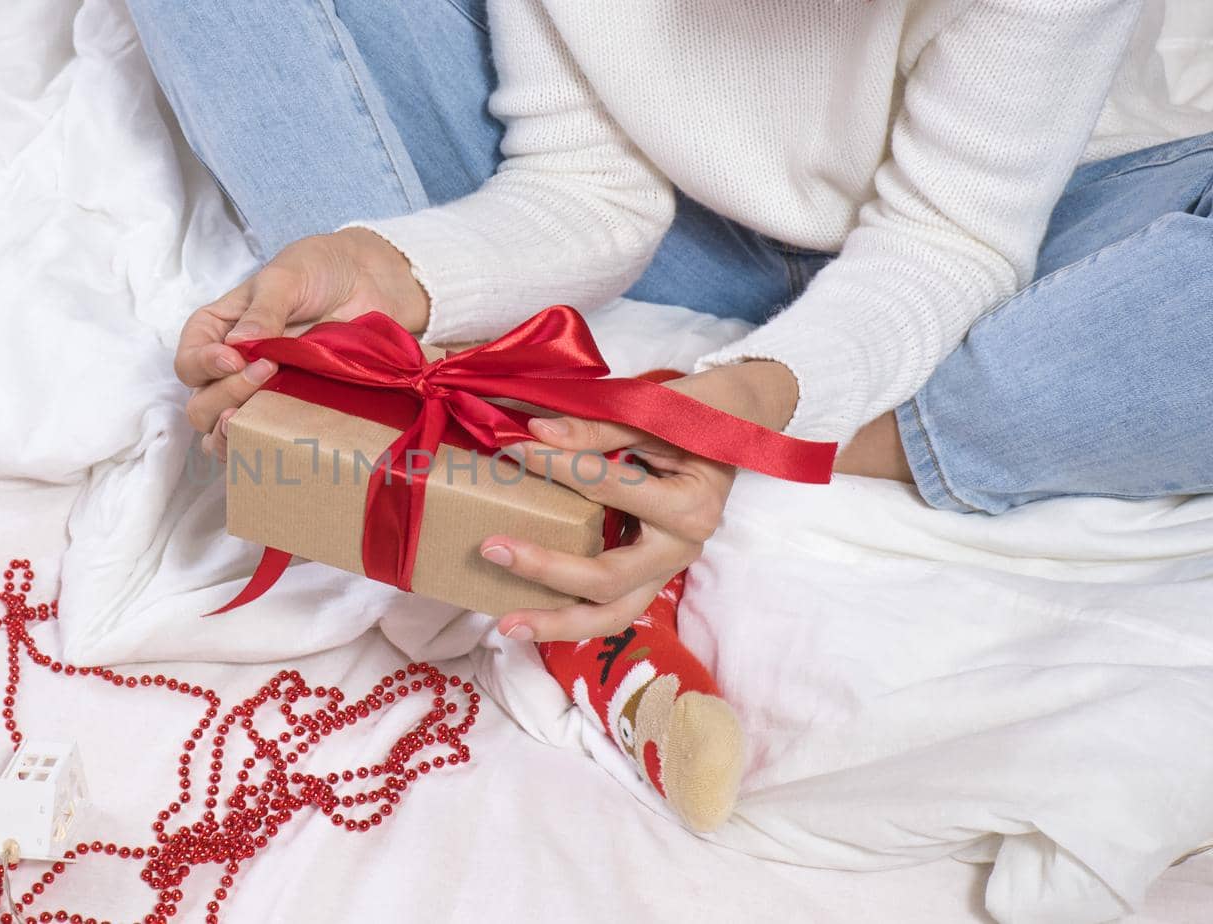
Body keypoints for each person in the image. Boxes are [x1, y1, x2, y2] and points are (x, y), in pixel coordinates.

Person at [128, 0, 1213, 827]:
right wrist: (394, 268)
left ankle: (588, 453)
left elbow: (949, 240)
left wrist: (748, 412)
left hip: (1043, 222)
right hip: (683, 229)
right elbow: (585, 186)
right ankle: (538, 460)